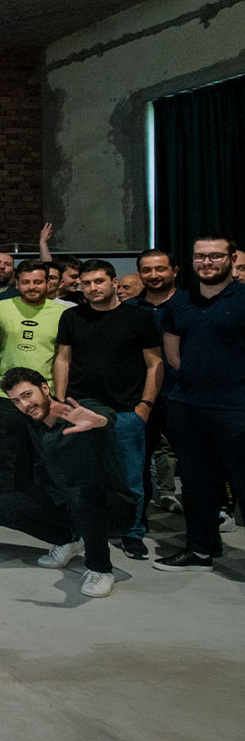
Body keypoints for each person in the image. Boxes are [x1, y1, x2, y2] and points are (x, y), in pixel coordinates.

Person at [52, 260, 162, 560]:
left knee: (130, 478)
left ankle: (132, 532)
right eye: (86, 283)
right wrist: (60, 401)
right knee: (83, 476)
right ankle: (85, 528)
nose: (92, 288)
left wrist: (145, 405)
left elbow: (154, 363)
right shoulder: (71, 316)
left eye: (99, 281)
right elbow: (63, 359)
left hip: (126, 410)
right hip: (80, 408)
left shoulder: (139, 318)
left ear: (114, 282)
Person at [0, 368, 123, 598]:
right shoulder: (32, 424)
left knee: (81, 494)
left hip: (110, 506)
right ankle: (69, 540)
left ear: (45, 388)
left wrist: (96, 420)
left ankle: (100, 569)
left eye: (27, 395)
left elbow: (106, 416)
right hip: (67, 504)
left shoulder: (77, 409)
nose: (24, 405)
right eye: (16, 401)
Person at [155, 234, 245, 572]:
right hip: (188, 406)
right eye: (200, 256)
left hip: (236, 407)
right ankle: (201, 550)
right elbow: (173, 355)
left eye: (215, 256)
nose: (207, 262)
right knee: (195, 483)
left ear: (231, 259)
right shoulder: (179, 303)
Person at [0, 260, 65, 494]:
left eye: (38, 281)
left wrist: (60, 396)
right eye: (26, 282)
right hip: (8, 396)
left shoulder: (63, 313)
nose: (32, 286)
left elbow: (64, 358)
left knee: (47, 454)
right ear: (17, 283)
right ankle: (13, 501)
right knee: (10, 453)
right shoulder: (1, 307)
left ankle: (47, 502)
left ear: (48, 283)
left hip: (46, 396)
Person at [128, 248, 181, 514]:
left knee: (195, 463)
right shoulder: (128, 309)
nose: (154, 275)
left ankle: (201, 528)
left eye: (160, 269)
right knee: (136, 465)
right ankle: (137, 524)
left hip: (182, 396)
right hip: (140, 398)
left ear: (175, 271)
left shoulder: (190, 304)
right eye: (147, 270)